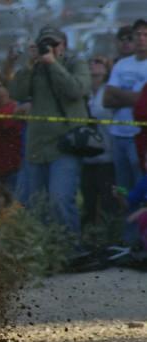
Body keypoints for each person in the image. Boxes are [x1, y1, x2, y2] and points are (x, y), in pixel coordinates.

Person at [10, 25, 89, 240]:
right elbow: (16, 92)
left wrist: (53, 64)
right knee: (37, 203)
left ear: (64, 45)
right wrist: (28, 65)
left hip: (65, 145)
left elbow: (76, 90)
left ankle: (70, 247)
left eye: (55, 44)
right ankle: (45, 249)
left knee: (60, 198)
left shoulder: (75, 64)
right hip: (37, 146)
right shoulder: (35, 68)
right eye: (46, 44)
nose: (50, 49)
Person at [103, 19, 147, 198]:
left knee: (140, 186)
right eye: (137, 34)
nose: (141, 38)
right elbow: (106, 100)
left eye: (145, 35)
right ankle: (125, 223)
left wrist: (117, 92)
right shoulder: (122, 64)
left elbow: (142, 101)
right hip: (118, 134)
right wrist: (135, 99)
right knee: (122, 188)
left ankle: (140, 225)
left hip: (139, 136)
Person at [82, 56, 118, 225]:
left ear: (106, 69)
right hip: (85, 157)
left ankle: (109, 237)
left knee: (107, 200)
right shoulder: (83, 92)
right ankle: (90, 238)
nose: (93, 65)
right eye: (91, 62)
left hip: (107, 156)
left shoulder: (109, 91)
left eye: (98, 62)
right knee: (88, 202)